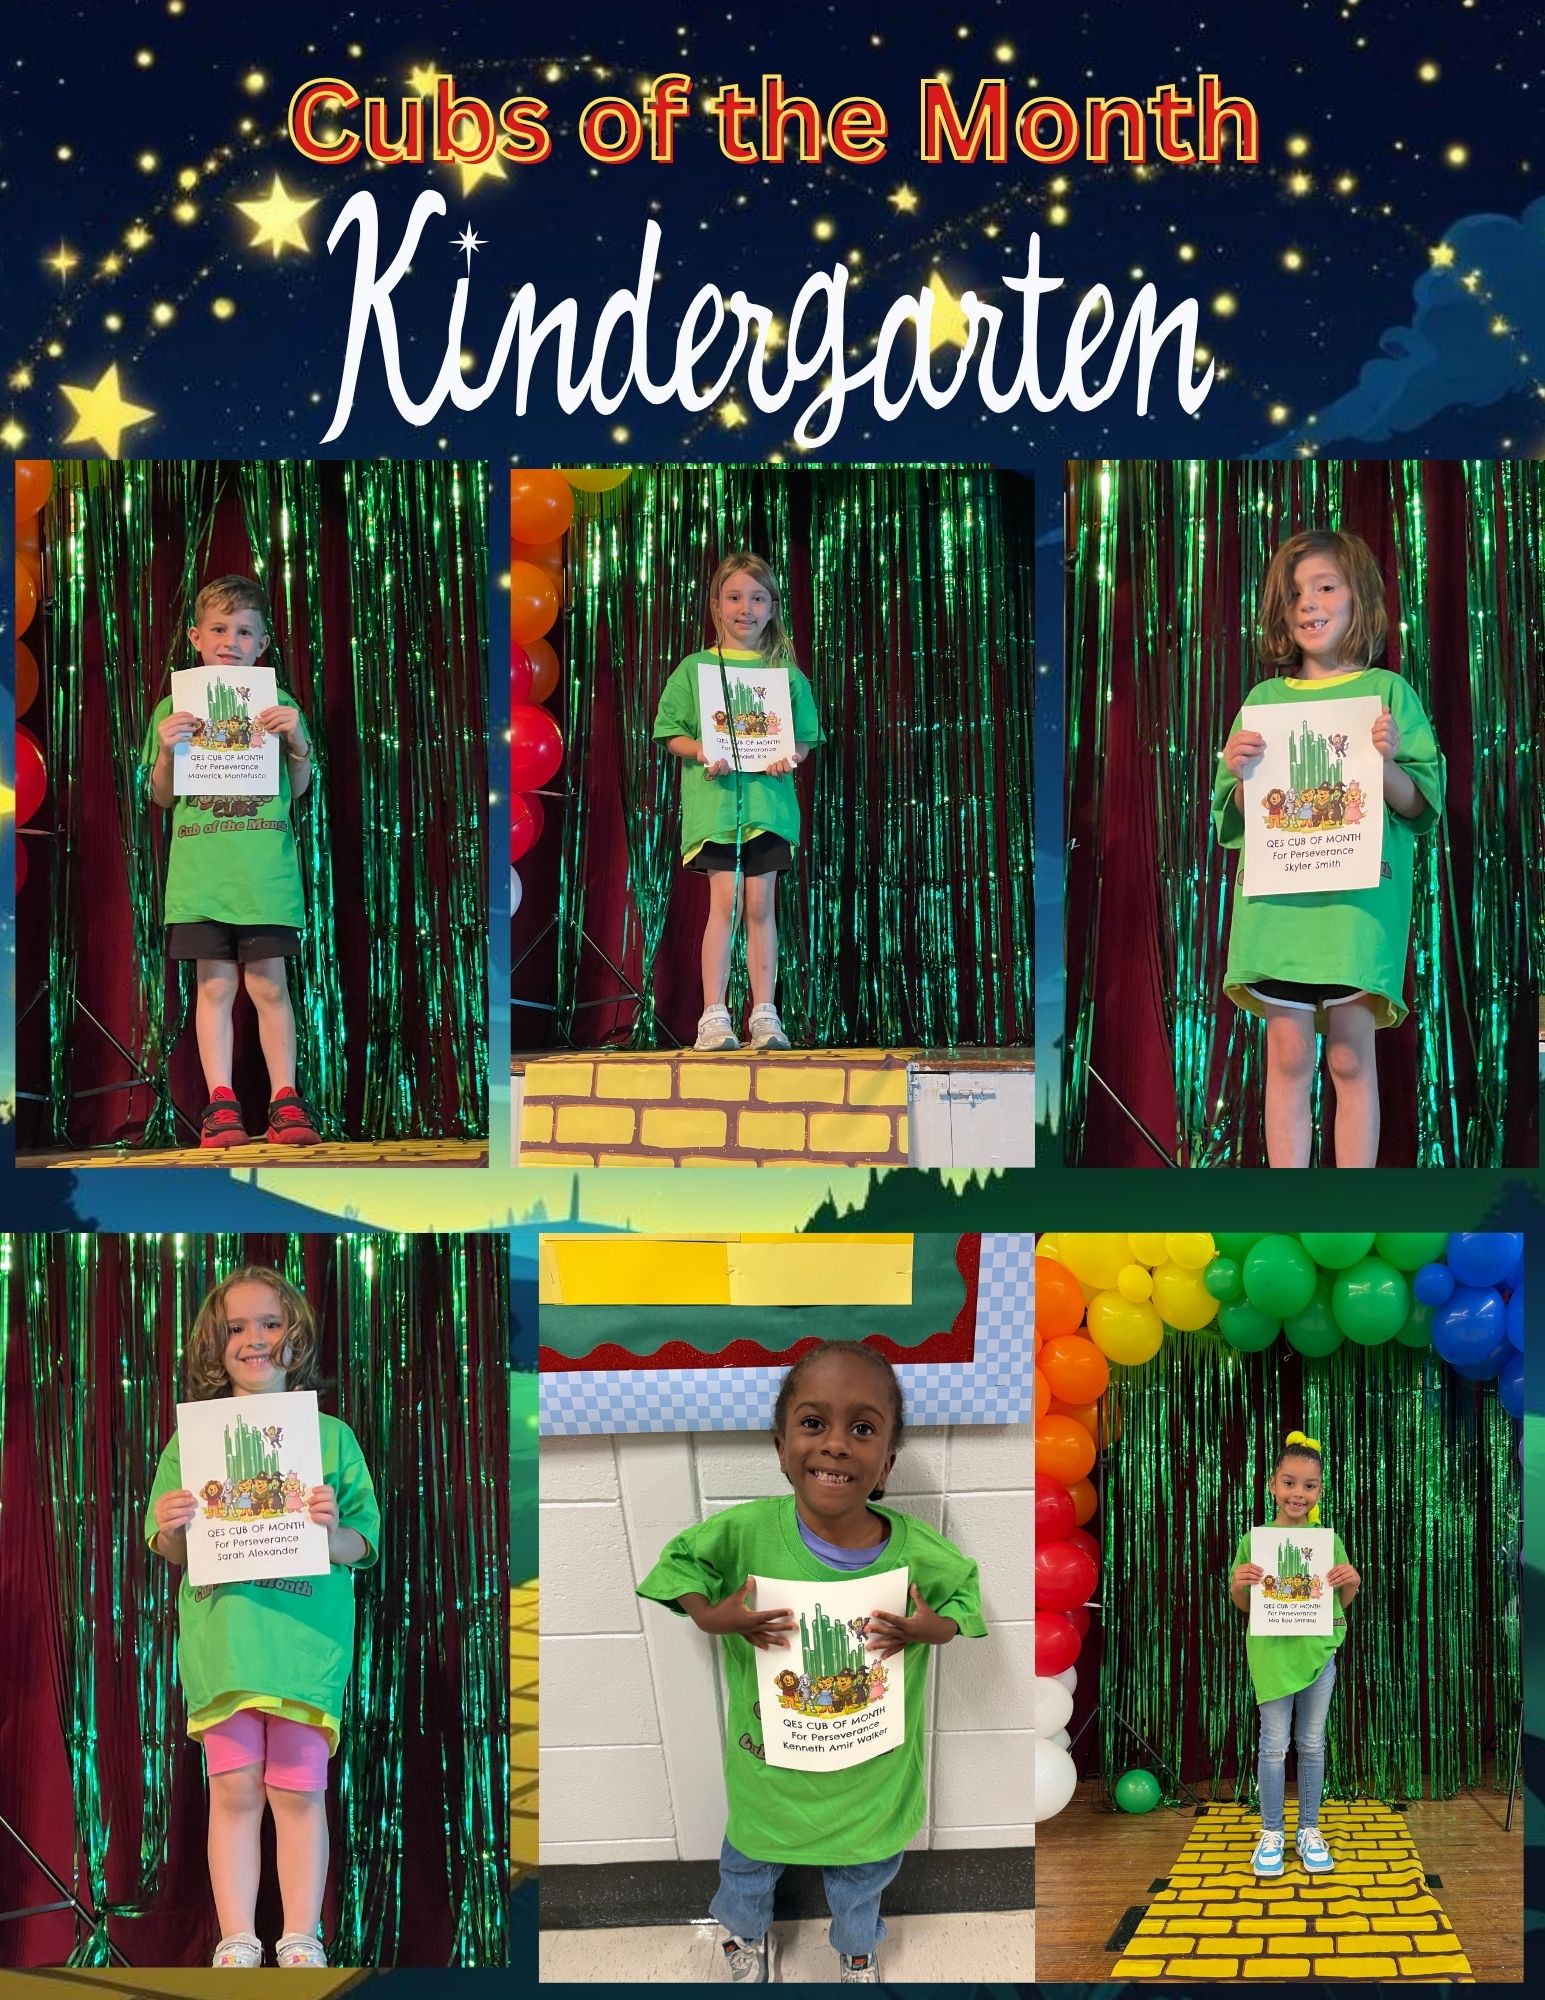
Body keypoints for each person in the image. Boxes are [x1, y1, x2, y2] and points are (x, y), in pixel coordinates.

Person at [637, 1343, 985, 1983]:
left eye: (862, 1428)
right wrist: (713, 1617)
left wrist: (931, 1629)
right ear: (780, 1446)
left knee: (863, 1873)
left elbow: (965, 1595)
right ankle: (744, 1937)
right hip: (771, 1775)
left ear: (886, 1463)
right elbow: (677, 1565)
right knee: (746, 1863)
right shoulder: (745, 1532)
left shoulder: (918, 1551)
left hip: (869, 1781)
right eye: (813, 1423)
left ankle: (857, 1947)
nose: (835, 1445)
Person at [148, 1266, 379, 1968]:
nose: (254, 1340)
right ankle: (238, 1939)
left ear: (296, 1335)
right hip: (227, 1648)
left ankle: (301, 1937)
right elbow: (173, 1551)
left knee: (299, 1792)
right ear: (215, 1345)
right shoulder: (191, 1442)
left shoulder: (330, 1438)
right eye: (236, 1327)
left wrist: (330, 1526)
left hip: (304, 1647)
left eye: (270, 1323)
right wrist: (170, 1524)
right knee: (234, 1788)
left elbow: (361, 1545)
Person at [1213, 530, 1445, 1167]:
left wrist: (1387, 759)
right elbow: (1233, 813)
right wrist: (1237, 771)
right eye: (1294, 595)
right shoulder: (1264, 701)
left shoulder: (1389, 694)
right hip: (1281, 912)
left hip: (1355, 910)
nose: (1308, 604)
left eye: (1324, 586)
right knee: (1288, 1056)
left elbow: (1419, 803)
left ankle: (1351, 1203)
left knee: (1349, 1054)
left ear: (1359, 597)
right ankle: (1289, 1203)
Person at [144, 576, 321, 1147]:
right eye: (219, 629)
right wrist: (169, 751)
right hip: (201, 880)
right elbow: (162, 795)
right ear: (196, 637)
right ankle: (221, 1102)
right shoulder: (173, 708)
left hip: (264, 876)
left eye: (244, 631)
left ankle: (284, 1099)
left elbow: (297, 790)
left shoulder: (281, 706)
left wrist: (296, 744)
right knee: (214, 989)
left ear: (262, 643)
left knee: (271, 988)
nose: (230, 640)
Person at [653, 554, 823, 1053]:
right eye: (734, 597)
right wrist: (703, 750)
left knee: (759, 904)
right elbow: (670, 732)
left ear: (771, 609)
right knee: (723, 905)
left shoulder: (784, 674)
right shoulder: (695, 669)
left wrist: (789, 756)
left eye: (757, 598)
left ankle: (765, 1013)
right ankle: (714, 1015)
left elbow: (804, 739)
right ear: (715, 606)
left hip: (767, 809)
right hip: (717, 809)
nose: (745, 608)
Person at [1229, 1429, 1361, 1879]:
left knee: (1311, 1744)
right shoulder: (1255, 1541)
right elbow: (1246, 1607)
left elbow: (1334, 1607)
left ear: (1320, 1490)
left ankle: (1308, 1828)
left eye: (1309, 1485)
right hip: (1270, 1657)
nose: (1298, 1493)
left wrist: (1353, 1583)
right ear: (1272, 1484)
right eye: (1289, 1482)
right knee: (1272, 1746)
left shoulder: (1327, 1540)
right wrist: (1237, 1586)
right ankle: (1271, 1832)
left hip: (1317, 1655)